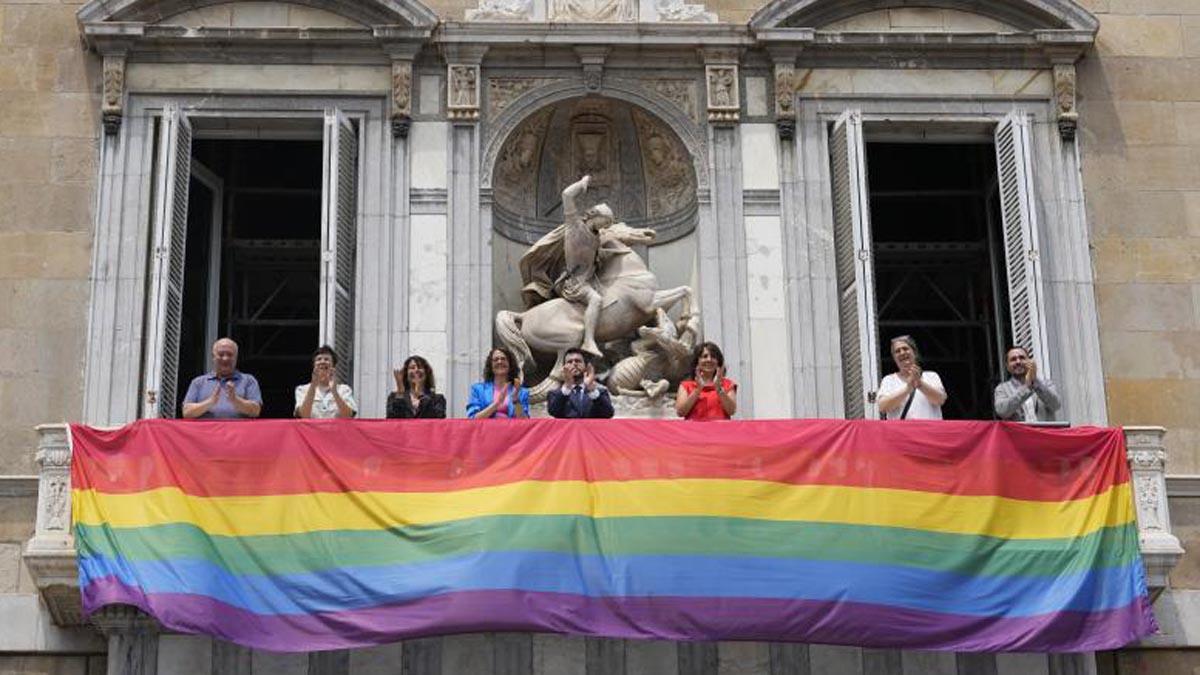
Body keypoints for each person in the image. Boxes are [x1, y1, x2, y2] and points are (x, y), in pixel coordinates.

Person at [518, 175, 615, 357]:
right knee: (596, 300)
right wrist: (582, 183)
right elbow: (567, 195)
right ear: (596, 215)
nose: (606, 226)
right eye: (606, 221)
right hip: (573, 283)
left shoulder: (596, 237)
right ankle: (588, 341)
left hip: (588, 280)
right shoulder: (575, 226)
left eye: (608, 224)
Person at [181, 337, 263, 419]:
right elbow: (187, 413)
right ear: (213, 357)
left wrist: (235, 400)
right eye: (221, 354)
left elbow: (255, 411)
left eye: (230, 354)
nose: (225, 358)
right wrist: (210, 402)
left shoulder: (248, 381)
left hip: (238, 431)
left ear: (236, 357)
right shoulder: (198, 382)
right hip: (207, 431)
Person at [876, 335, 947, 420]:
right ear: (894, 358)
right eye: (897, 351)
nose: (902, 353)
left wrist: (920, 384)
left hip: (929, 431)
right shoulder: (889, 380)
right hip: (901, 432)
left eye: (905, 349)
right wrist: (907, 389)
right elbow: (883, 407)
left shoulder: (931, 376)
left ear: (914, 352)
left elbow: (940, 400)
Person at [993, 346, 1062, 422]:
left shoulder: (1046, 384)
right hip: (1018, 433)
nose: (1018, 362)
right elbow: (1002, 411)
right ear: (1007, 366)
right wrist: (1027, 387)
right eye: (1013, 359)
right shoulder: (1002, 389)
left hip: (1043, 432)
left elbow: (1056, 405)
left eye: (1022, 358)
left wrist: (1035, 382)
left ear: (1029, 361)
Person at [675, 341, 737, 421]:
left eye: (713, 357)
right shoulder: (686, 385)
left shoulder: (727, 384)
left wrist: (719, 389)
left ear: (718, 362)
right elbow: (680, 412)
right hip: (694, 431)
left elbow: (731, 411)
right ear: (697, 361)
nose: (709, 360)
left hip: (721, 431)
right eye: (704, 356)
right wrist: (697, 390)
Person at [547, 348, 614, 419]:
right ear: (564, 368)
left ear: (586, 366)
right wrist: (567, 387)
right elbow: (553, 411)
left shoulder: (600, 393)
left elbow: (608, 414)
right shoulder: (554, 394)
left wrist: (592, 391)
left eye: (578, 361)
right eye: (569, 362)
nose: (574, 364)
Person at [294, 345, 357, 419]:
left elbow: (348, 416)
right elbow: (304, 415)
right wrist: (313, 386)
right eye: (319, 359)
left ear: (333, 366)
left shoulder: (344, 390)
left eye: (326, 359)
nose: (322, 362)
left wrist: (335, 392)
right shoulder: (302, 390)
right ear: (314, 365)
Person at [467, 347, 530, 419]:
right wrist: (497, 404)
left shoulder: (522, 392)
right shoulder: (478, 390)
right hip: (487, 430)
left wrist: (515, 400)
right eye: (496, 359)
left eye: (503, 359)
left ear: (510, 364)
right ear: (491, 366)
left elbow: (525, 422)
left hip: (512, 430)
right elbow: (473, 419)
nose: (499, 362)